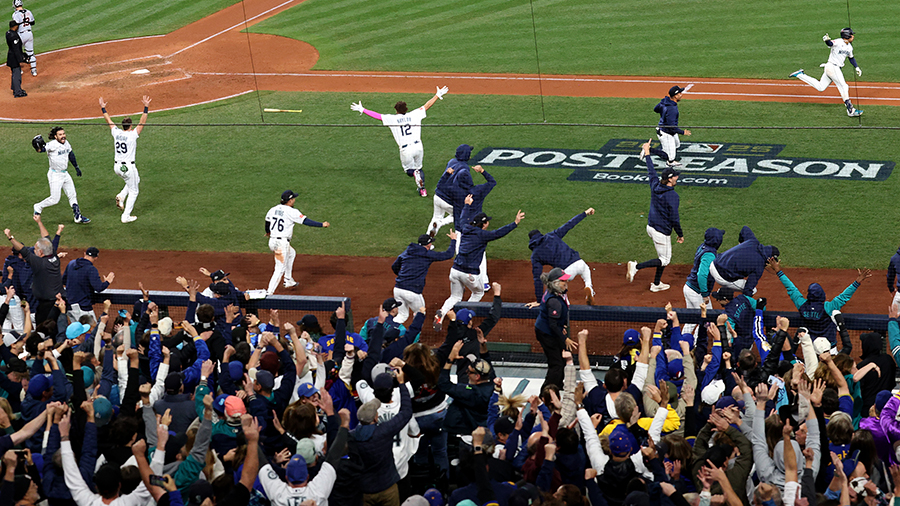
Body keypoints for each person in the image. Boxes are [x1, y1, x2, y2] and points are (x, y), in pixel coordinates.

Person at [435, 195, 523, 331]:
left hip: (455, 270)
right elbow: (499, 233)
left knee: (455, 296)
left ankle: (441, 313)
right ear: (484, 224)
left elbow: (463, 217)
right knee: (478, 292)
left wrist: (466, 204)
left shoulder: (465, 227)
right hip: (469, 273)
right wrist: (515, 223)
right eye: (487, 221)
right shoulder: (483, 235)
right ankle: (462, 316)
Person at [350, 85, 449, 197]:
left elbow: (377, 116)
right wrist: (437, 95)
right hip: (418, 146)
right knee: (419, 168)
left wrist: (362, 109)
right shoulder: (415, 114)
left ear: (396, 110)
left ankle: (416, 176)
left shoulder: (392, 118)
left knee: (409, 171)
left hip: (406, 149)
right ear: (406, 109)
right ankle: (422, 190)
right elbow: (427, 106)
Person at [625, 139, 683, 292]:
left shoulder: (655, 185)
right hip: (661, 231)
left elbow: (651, 170)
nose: (677, 177)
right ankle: (636, 266)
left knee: (661, 258)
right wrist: (680, 234)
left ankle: (656, 284)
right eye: (675, 176)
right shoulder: (673, 196)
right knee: (664, 260)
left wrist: (648, 154)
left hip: (651, 226)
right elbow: (674, 219)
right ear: (670, 179)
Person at [264, 190, 329, 295]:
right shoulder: (292, 211)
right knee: (279, 269)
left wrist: (268, 232)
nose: (294, 200)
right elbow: (306, 221)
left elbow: (267, 222)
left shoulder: (273, 209)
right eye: (293, 199)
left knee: (291, 253)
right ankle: (269, 293)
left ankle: (288, 280)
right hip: (281, 244)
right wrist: (322, 224)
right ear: (290, 201)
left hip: (272, 241)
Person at [99, 95, 151, 223]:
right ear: (131, 126)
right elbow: (142, 122)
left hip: (117, 167)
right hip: (128, 167)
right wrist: (146, 107)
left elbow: (109, 121)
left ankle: (121, 196)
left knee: (135, 180)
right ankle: (125, 216)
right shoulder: (133, 135)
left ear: (123, 126)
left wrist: (103, 108)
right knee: (134, 191)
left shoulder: (117, 133)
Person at [528, 208, 596, 305]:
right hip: (579, 262)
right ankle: (589, 288)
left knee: (556, 287)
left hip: (567, 272)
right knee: (586, 271)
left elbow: (537, 278)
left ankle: (565, 303)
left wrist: (539, 300)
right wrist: (585, 213)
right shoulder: (552, 235)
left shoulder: (535, 255)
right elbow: (569, 224)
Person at [4, 215, 63, 325]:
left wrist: (10, 237)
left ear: (40, 253)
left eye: (35, 249)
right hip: (57, 302)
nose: (34, 251)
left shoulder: (39, 263)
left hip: (46, 306)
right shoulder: (54, 257)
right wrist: (39, 222)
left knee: (44, 328)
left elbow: (23, 250)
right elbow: (46, 237)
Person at [790, 28, 863, 117]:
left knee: (821, 87)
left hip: (832, 68)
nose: (853, 36)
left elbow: (851, 58)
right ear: (847, 36)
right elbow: (831, 44)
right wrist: (827, 40)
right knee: (843, 86)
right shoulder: (839, 42)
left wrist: (857, 67)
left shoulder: (850, 47)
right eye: (852, 35)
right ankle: (850, 109)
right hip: (832, 67)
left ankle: (800, 75)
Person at [391, 231, 456, 325]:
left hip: (398, 289)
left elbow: (394, 266)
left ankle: (388, 332)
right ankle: (415, 337)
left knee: (402, 315)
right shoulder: (427, 254)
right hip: (412, 292)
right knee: (420, 314)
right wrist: (453, 240)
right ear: (428, 245)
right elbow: (448, 254)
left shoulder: (408, 251)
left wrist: (403, 277)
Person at [32, 126, 90, 223]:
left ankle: (78, 217)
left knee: (72, 195)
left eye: (63, 134)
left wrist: (76, 167)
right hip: (55, 175)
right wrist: (37, 147)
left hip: (65, 173)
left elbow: (71, 154)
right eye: (60, 135)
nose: (63, 136)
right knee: (55, 199)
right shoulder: (52, 145)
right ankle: (38, 207)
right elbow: (40, 150)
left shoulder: (66, 143)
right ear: (55, 136)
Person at [530, 267, 575, 390]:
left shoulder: (555, 293)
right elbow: (553, 325)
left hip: (548, 330)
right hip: (547, 334)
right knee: (557, 365)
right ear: (555, 284)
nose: (566, 283)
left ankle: (557, 386)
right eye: (563, 281)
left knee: (558, 361)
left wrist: (562, 326)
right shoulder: (554, 301)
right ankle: (546, 393)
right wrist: (565, 339)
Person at [710, 225, 778, 295]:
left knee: (739, 273)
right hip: (721, 277)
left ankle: (726, 289)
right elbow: (748, 289)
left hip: (713, 263)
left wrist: (740, 244)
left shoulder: (753, 241)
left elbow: (744, 228)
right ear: (771, 259)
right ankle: (724, 293)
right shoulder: (759, 266)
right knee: (753, 290)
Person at [683, 227, 725, 335]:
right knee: (708, 319)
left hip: (689, 287)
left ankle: (683, 341)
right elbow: (701, 275)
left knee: (691, 319)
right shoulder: (709, 254)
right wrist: (705, 294)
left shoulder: (703, 246)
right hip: (697, 292)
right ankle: (697, 345)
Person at [62, 246, 113, 324]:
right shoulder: (91, 269)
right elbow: (99, 288)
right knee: (92, 332)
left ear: (84, 254)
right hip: (83, 309)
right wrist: (107, 282)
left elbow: (63, 281)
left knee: (77, 332)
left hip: (69, 306)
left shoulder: (71, 263)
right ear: (96, 258)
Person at [652, 86, 691, 166]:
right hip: (666, 133)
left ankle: (666, 149)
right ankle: (648, 150)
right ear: (675, 96)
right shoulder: (672, 109)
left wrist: (663, 108)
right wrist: (683, 132)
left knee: (677, 144)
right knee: (670, 158)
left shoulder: (666, 101)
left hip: (667, 130)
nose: (681, 95)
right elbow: (671, 127)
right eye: (679, 93)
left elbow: (656, 109)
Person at [11, 0, 34, 76]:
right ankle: (34, 71)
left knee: (16, 53)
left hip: (21, 35)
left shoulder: (15, 14)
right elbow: (33, 22)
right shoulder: (28, 11)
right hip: (29, 33)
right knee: (31, 53)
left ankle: (19, 71)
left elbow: (15, 25)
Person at [5, 19, 25, 97]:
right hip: (14, 57)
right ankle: (17, 92)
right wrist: (20, 59)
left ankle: (15, 89)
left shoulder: (8, 33)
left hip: (11, 56)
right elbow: (16, 48)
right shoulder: (14, 35)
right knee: (17, 74)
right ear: (15, 26)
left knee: (14, 73)